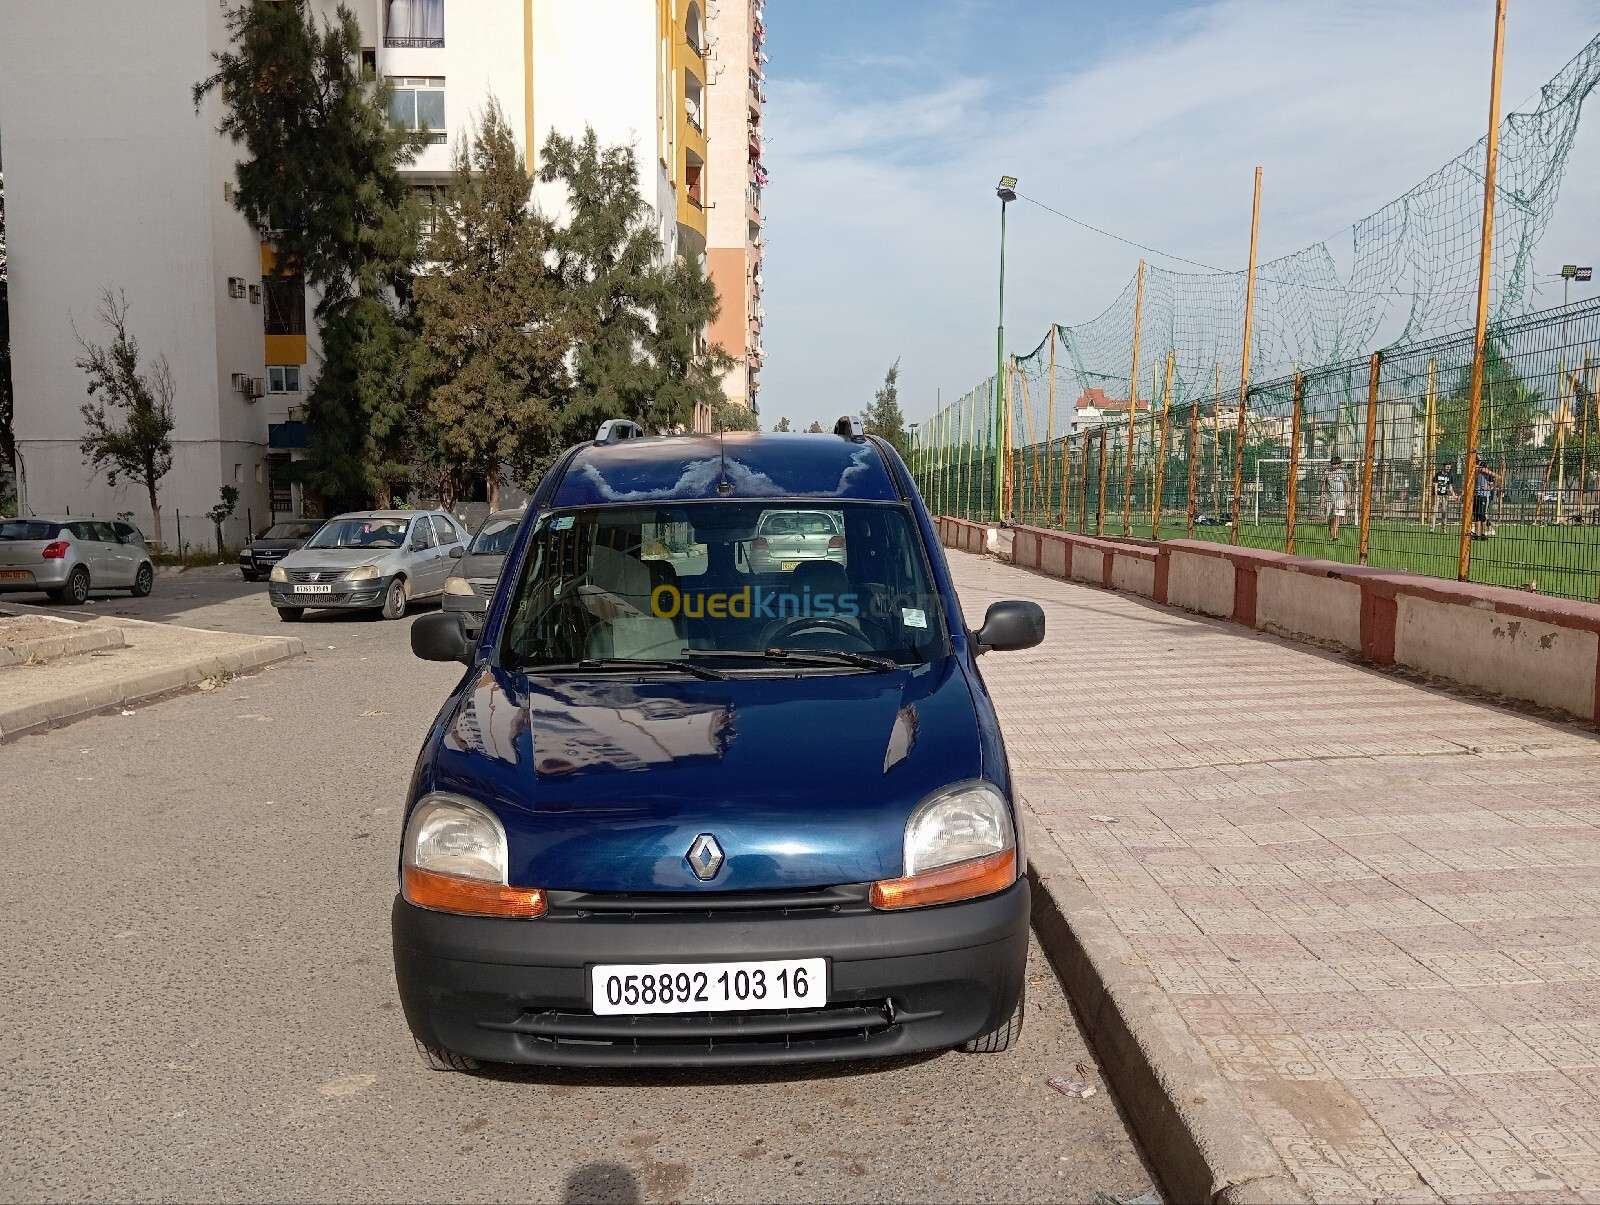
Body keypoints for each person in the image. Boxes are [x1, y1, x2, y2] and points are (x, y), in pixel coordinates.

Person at [1319, 455, 1351, 540]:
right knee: (1330, 517)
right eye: (1332, 464)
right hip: (1329, 498)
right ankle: (1332, 534)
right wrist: (1322, 499)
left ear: (1339, 464)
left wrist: (1348, 498)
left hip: (1340, 498)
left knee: (1337, 515)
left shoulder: (1343, 473)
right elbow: (1323, 486)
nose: (1334, 466)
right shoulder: (1326, 472)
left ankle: (1335, 535)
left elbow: (1347, 485)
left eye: (1336, 464)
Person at [1471, 457, 1502, 540]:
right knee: (1476, 516)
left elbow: (1498, 477)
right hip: (1476, 495)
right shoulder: (1473, 471)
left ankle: (1483, 534)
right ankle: (1477, 535)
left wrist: (1489, 487)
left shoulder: (1482, 469)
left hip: (1483, 496)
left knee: (1482, 515)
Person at [1430, 462, 1459, 531]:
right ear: (1444, 467)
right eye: (1447, 467)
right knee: (1434, 511)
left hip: (1444, 495)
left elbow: (1450, 486)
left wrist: (1454, 495)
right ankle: (1432, 528)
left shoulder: (1449, 476)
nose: (1449, 469)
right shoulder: (1438, 474)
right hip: (1437, 495)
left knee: (1444, 511)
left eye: (1449, 467)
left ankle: (1444, 528)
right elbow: (1435, 485)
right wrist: (1436, 495)